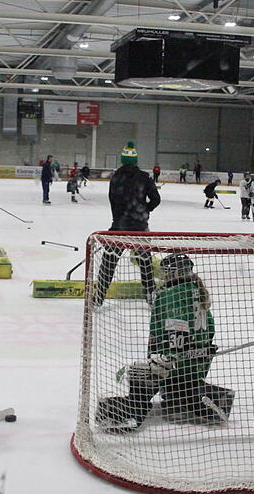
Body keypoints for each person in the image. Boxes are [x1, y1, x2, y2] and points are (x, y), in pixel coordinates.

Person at [95, 254, 233, 432]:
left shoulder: (172, 295)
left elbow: (177, 332)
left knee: (134, 372)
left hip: (179, 363)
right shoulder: (196, 291)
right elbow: (209, 329)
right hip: (197, 367)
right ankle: (190, 397)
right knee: (171, 385)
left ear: (175, 273)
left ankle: (133, 412)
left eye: (166, 272)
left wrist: (166, 359)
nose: (163, 276)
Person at [94, 142, 160, 307]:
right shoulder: (144, 177)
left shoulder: (116, 177)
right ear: (136, 160)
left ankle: (98, 297)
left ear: (122, 160)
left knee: (108, 263)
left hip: (119, 227)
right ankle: (150, 293)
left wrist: (119, 217)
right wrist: (144, 210)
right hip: (140, 228)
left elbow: (112, 199)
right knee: (145, 262)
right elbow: (156, 199)